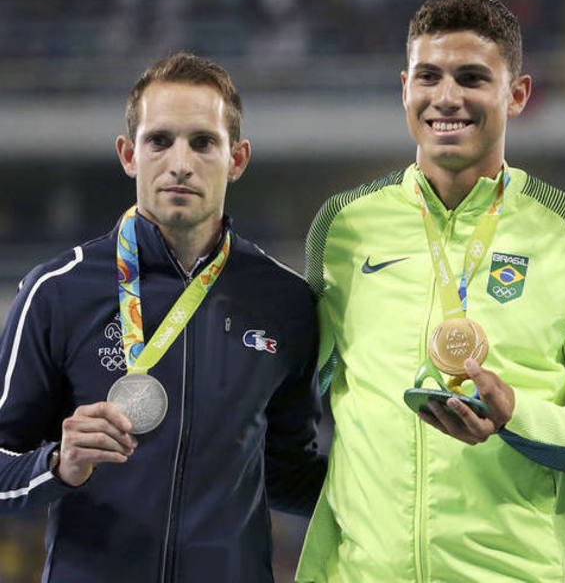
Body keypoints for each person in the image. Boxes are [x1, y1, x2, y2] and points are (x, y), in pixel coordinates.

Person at [296, 0, 565, 582]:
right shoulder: (342, 227)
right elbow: (300, 406)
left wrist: (518, 417)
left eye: (472, 77)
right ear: (403, 88)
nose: (446, 97)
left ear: (517, 94)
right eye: (428, 76)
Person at [0, 52, 326, 582]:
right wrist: (58, 465)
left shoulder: (284, 302)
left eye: (203, 142)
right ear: (129, 154)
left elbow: (291, 475)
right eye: (159, 141)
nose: (180, 162)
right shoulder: (57, 292)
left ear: (237, 159)